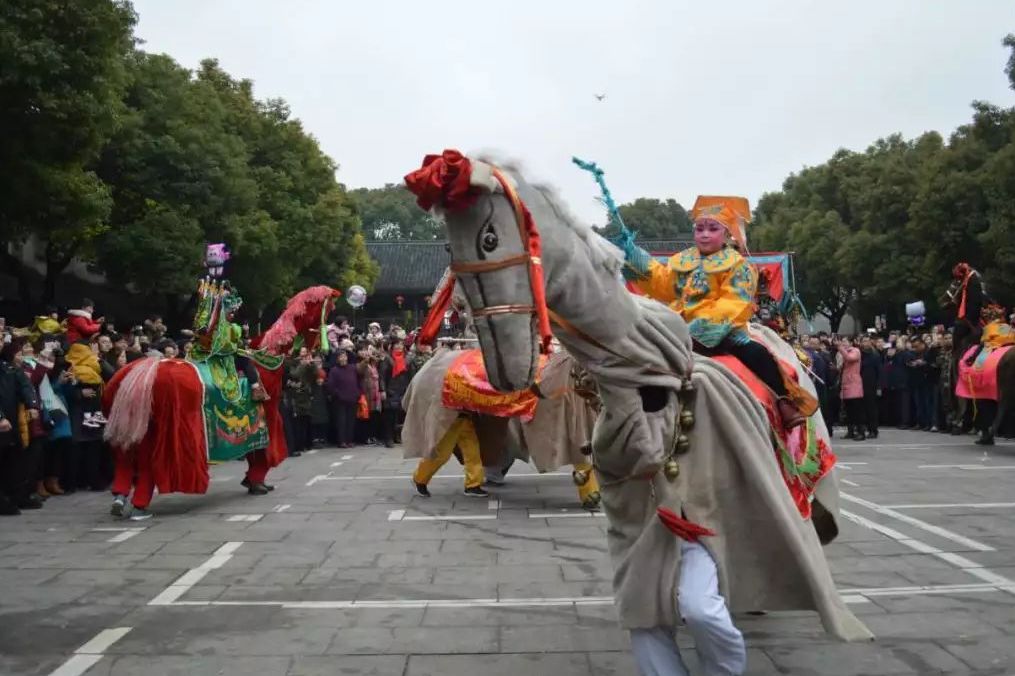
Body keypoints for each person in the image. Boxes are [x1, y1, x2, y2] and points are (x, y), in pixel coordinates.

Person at [617, 195, 816, 428]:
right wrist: (636, 258)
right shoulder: (682, 260)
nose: (705, 234)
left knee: (757, 355)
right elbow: (663, 285)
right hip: (677, 330)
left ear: (727, 234)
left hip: (724, 332)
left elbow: (732, 303)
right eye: (699, 228)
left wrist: (696, 331)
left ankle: (785, 402)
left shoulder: (739, 265)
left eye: (712, 229)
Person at [0, 340, 41, 514]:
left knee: (13, 460)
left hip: (11, 422)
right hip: (3, 420)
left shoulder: (8, 367)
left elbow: (25, 384)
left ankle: (15, 497)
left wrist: (32, 404)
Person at [412, 413, 488, 498]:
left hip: (466, 418)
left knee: (473, 453)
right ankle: (420, 479)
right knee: (441, 455)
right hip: (450, 418)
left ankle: (473, 484)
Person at [326, 350, 360, 448]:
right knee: (341, 421)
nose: (343, 358)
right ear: (337, 359)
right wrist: (338, 394)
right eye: (341, 357)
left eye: (345, 356)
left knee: (351, 421)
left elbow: (358, 381)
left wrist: (358, 393)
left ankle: (350, 440)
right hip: (340, 400)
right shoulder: (334, 370)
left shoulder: (352, 368)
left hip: (352, 398)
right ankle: (342, 441)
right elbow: (331, 386)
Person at [838, 337, 865, 440]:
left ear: (850, 343)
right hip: (846, 384)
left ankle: (861, 432)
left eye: (845, 342)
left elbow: (850, 358)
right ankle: (850, 431)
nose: (843, 343)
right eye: (842, 341)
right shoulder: (843, 352)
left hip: (854, 384)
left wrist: (840, 348)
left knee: (856, 411)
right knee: (848, 411)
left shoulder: (855, 351)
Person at [859, 335, 882, 439]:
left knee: (871, 408)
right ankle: (864, 429)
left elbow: (880, 372)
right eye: (864, 341)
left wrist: (879, 387)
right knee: (862, 408)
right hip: (859, 385)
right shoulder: (859, 354)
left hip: (871, 385)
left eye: (867, 341)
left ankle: (873, 430)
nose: (866, 343)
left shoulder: (875, 355)